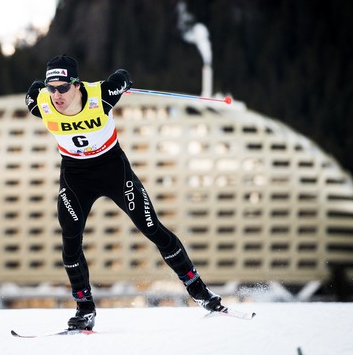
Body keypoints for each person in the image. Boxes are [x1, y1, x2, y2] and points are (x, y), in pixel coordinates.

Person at [25, 54, 224, 331]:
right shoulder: (40, 103)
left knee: (152, 227)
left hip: (112, 170)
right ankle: (85, 309)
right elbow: (33, 91)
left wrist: (122, 79)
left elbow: (122, 74)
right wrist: (39, 87)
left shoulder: (102, 96)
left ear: (77, 85)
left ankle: (201, 292)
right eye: (52, 88)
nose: (56, 95)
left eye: (63, 87)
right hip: (75, 176)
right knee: (70, 244)